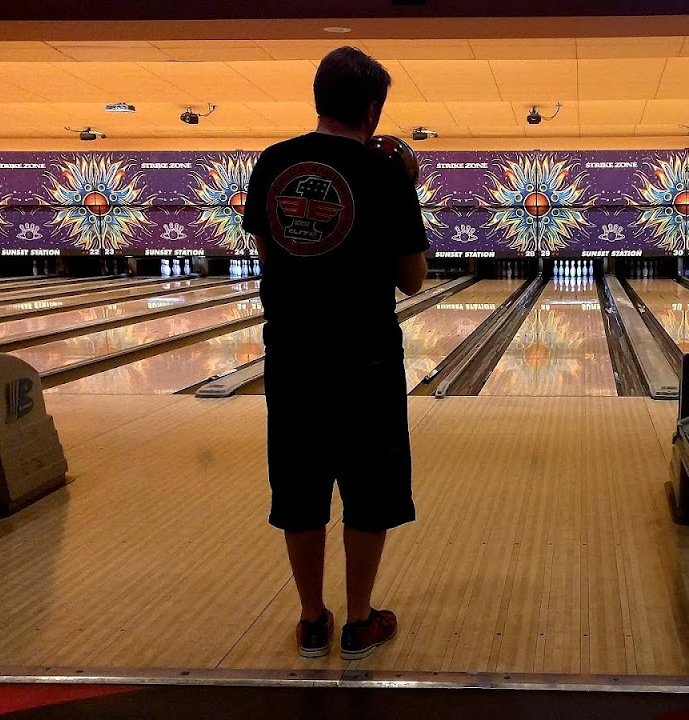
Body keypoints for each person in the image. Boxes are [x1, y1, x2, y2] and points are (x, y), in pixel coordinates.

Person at [241, 46, 429, 660]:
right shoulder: (386, 175)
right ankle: (358, 621)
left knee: (298, 486)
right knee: (368, 487)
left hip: (292, 355)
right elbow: (413, 279)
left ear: (318, 98)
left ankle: (311, 620)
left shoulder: (272, 163)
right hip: (366, 359)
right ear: (374, 108)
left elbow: (269, 256)